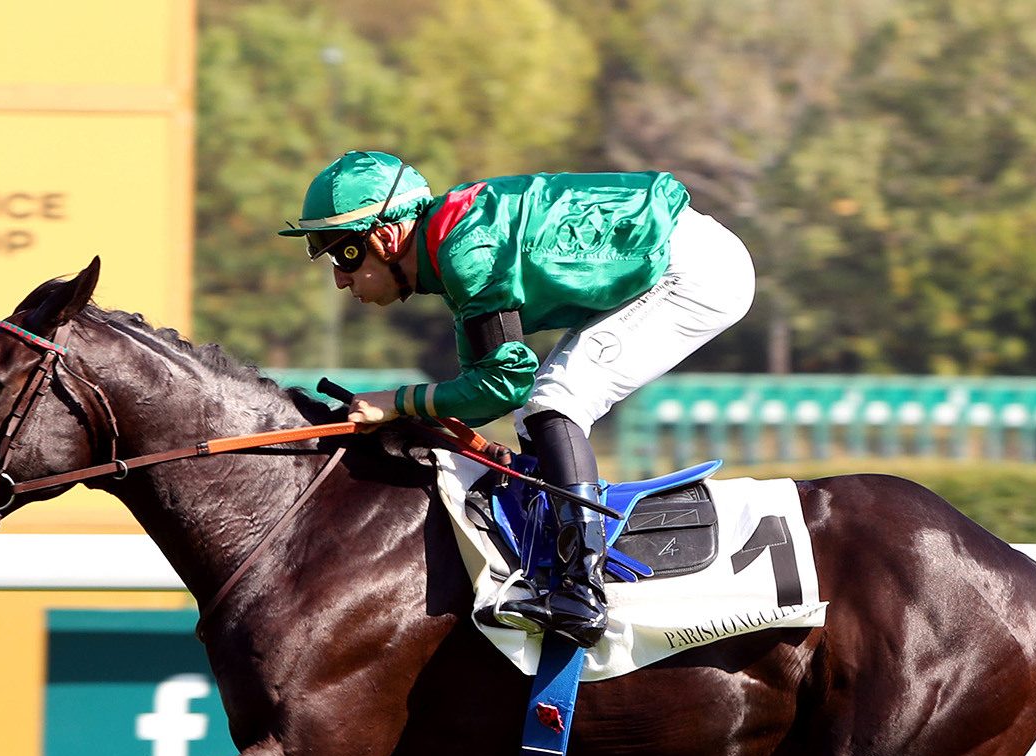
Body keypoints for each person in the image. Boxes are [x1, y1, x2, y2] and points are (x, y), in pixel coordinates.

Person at [280, 150, 756, 648]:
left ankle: (581, 591)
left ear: (387, 235)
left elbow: (501, 388)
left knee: (558, 402)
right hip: (676, 256)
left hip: (696, 271)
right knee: (539, 413)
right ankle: (549, 564)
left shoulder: (469, 253)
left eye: (343, 254)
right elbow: (489, 388)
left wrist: (397, 402)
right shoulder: (454, 245)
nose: (339, 277)